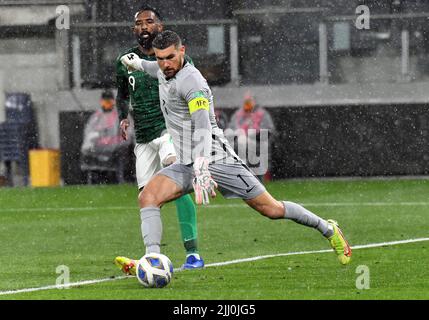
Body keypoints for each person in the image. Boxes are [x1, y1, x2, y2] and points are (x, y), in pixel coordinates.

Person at [120, 30, 352, 266]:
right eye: (160, 58)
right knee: (148, 197)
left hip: (216, 160)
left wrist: (201, 167)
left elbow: (201, 124)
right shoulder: (162, 69)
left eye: (169, 57)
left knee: (271, 209)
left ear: (182, 50)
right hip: (186, 163)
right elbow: (154, 70)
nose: (165, 64)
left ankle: (328, 228)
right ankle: (152, 260)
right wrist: (137, 63)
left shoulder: (192, 82)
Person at [114, 7, 204, 274]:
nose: (144, 27)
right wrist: (123, 117)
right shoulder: (125, 59)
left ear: (160, 27)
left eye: (149, 22)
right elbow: (121, 93)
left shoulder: (175, 58)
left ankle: (193, 253)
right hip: (142, 138)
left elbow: (194, 89)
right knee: (147, 198)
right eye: (139, 23)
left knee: (176, 181)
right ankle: (152, 258)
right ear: (134, 30)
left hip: (169, 132)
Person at [80, 90, 130, 184]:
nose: (107, 103)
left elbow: (128, 134)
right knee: (87, 152)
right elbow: (88, 134)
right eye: (105, 101)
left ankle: (120, 180)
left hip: (116, 147)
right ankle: (92, 180)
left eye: (109, 101)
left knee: (122, 151)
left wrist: (116, 143)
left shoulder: (121, 115)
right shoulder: (96, 117)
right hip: (98, 148)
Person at [227, 92, 275, 182]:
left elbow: (269, 131)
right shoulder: (237, 115)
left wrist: (254, 136)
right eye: (246, 101)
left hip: (257, 146)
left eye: (249, 101)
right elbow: (230, 130)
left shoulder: (262, 114)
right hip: (239, 146)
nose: (247, 103)